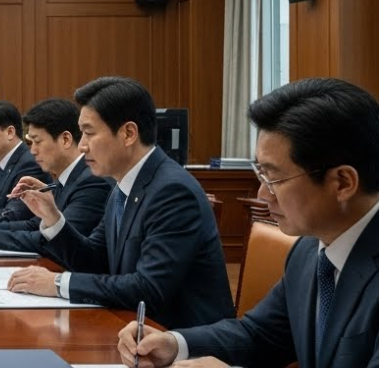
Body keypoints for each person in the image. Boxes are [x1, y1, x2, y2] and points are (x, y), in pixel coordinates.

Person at [118, 78, 379, 368]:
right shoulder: (308, 251)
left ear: (342, 182)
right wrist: (175, 344)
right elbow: (260, 335)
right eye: (261, 175)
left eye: (274, 178)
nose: (263, 194)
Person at [11, 76, 235, 330]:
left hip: (181, 339)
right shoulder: (122, 187)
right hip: (134, 329)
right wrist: (52, 219)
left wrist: (58, 283)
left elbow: (148, 289)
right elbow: (95, 260)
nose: (81, 146)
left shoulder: (172, 192)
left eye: (89, 133)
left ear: (128, 133)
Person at [0, 99, 111, 253]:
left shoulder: (91, 181)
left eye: (37, 141)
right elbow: (34, 225)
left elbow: (58, 242)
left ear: (65, 139)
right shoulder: (64, 180)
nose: (32, 151)